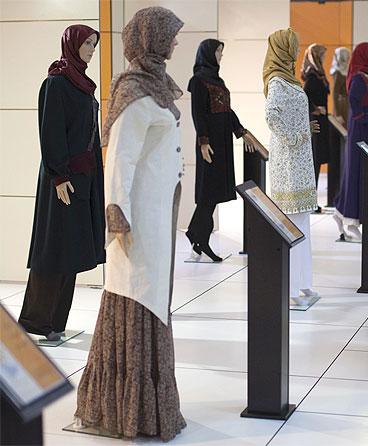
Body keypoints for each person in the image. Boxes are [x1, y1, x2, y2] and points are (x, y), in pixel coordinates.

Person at [75, 7, 186, 440]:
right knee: (139, 296)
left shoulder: (155, 86)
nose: (175, 43)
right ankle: (129, 411)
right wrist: (117, 213)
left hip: (158, 215)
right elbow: (118, 157)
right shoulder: (135, 91)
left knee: (154, 295)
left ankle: (145, 409)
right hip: (137, 222)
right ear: (152, 38)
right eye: (170, 35)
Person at [18, 25, 105, 341]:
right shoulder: (55, 83)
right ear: (72, 45)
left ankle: (55, 324)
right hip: (63, 180)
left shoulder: (82, 84)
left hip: (83, 178)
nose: (91, 51)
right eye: (87, 45)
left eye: (94, 45)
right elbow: (50, 132)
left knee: (69, 251)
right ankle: (35, 322)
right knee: (53, 251)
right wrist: (59, 177)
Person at [263, 28, 319, 305]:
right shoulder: (277, 81)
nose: (297, 52)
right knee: (293, 221)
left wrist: (302, 129)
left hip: (300, 160)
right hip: (288, 162)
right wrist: (296, 136)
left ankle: (303, 282)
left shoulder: (289, 80)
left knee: (303, 221)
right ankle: (291, 287)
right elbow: (271, 117)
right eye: (293, 47)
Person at [185, 39, 254, 261]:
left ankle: (195, 234)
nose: (221, 56)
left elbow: (227, 111)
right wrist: (203, 142)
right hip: (211, 144)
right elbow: (198, 113)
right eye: (218, 51)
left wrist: (241, 131)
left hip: (222, 142)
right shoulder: (197, 81)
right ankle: (201, 239)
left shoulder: (218, 80)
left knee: (211, 194)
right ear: (207, 53)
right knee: (208, 193)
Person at [333, 42, 368, 241]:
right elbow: (354, 104)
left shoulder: (362, 76)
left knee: (361, 172)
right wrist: (366, 117)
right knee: (357, 172)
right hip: (361, 133)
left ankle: (340, 212)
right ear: (364, 55)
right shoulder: (357, 78)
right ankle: (351, 221)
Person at [302, 43, 330, 210]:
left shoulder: (319, 74)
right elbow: (304, 96)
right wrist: (315, 109)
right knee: (314, 160)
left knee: (317, 160)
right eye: (322, 55)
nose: (324, 58)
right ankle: (310, 201)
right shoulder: (312, 75)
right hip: (315, 122)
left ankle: (312, 200)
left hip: (322, 121)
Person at [330, 47, 350, 127]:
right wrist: (338, 114)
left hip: (347, 103)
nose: (348, 57)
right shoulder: (338, 73)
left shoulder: (345, 70)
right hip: (342, 104)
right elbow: (335, 93)